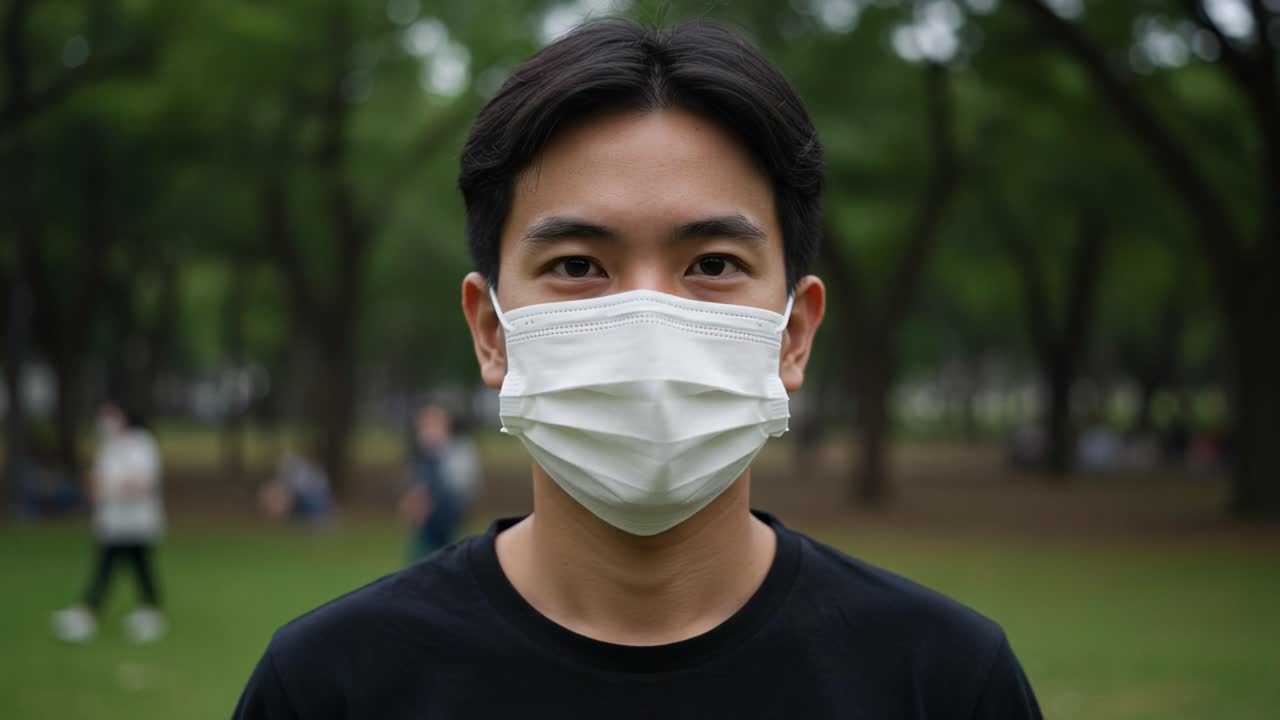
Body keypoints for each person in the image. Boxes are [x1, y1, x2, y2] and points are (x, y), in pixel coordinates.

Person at [235, 20, 1042, 718]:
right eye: (580, 265)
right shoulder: (329, 687)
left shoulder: (945, 683)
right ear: (492, 331)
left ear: (793, 333)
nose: (648, 319)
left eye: (715, 262)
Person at [52, 401, 167, 644]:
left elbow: (143, 483)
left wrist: (113, 488)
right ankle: (146, 611)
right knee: (133, 568)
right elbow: (96, 481)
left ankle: (91, 612)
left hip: (136, 523)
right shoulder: (110, 446)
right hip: (112, 523)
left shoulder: (141, 443)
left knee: (120, 568)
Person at [399, 402, 481, 561]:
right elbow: (411, 485)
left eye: (432, 425)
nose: (427, 431)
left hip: (448, 518)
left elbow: (465, 485)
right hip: (423, 524)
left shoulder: (459, 451)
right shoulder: (420, 455)